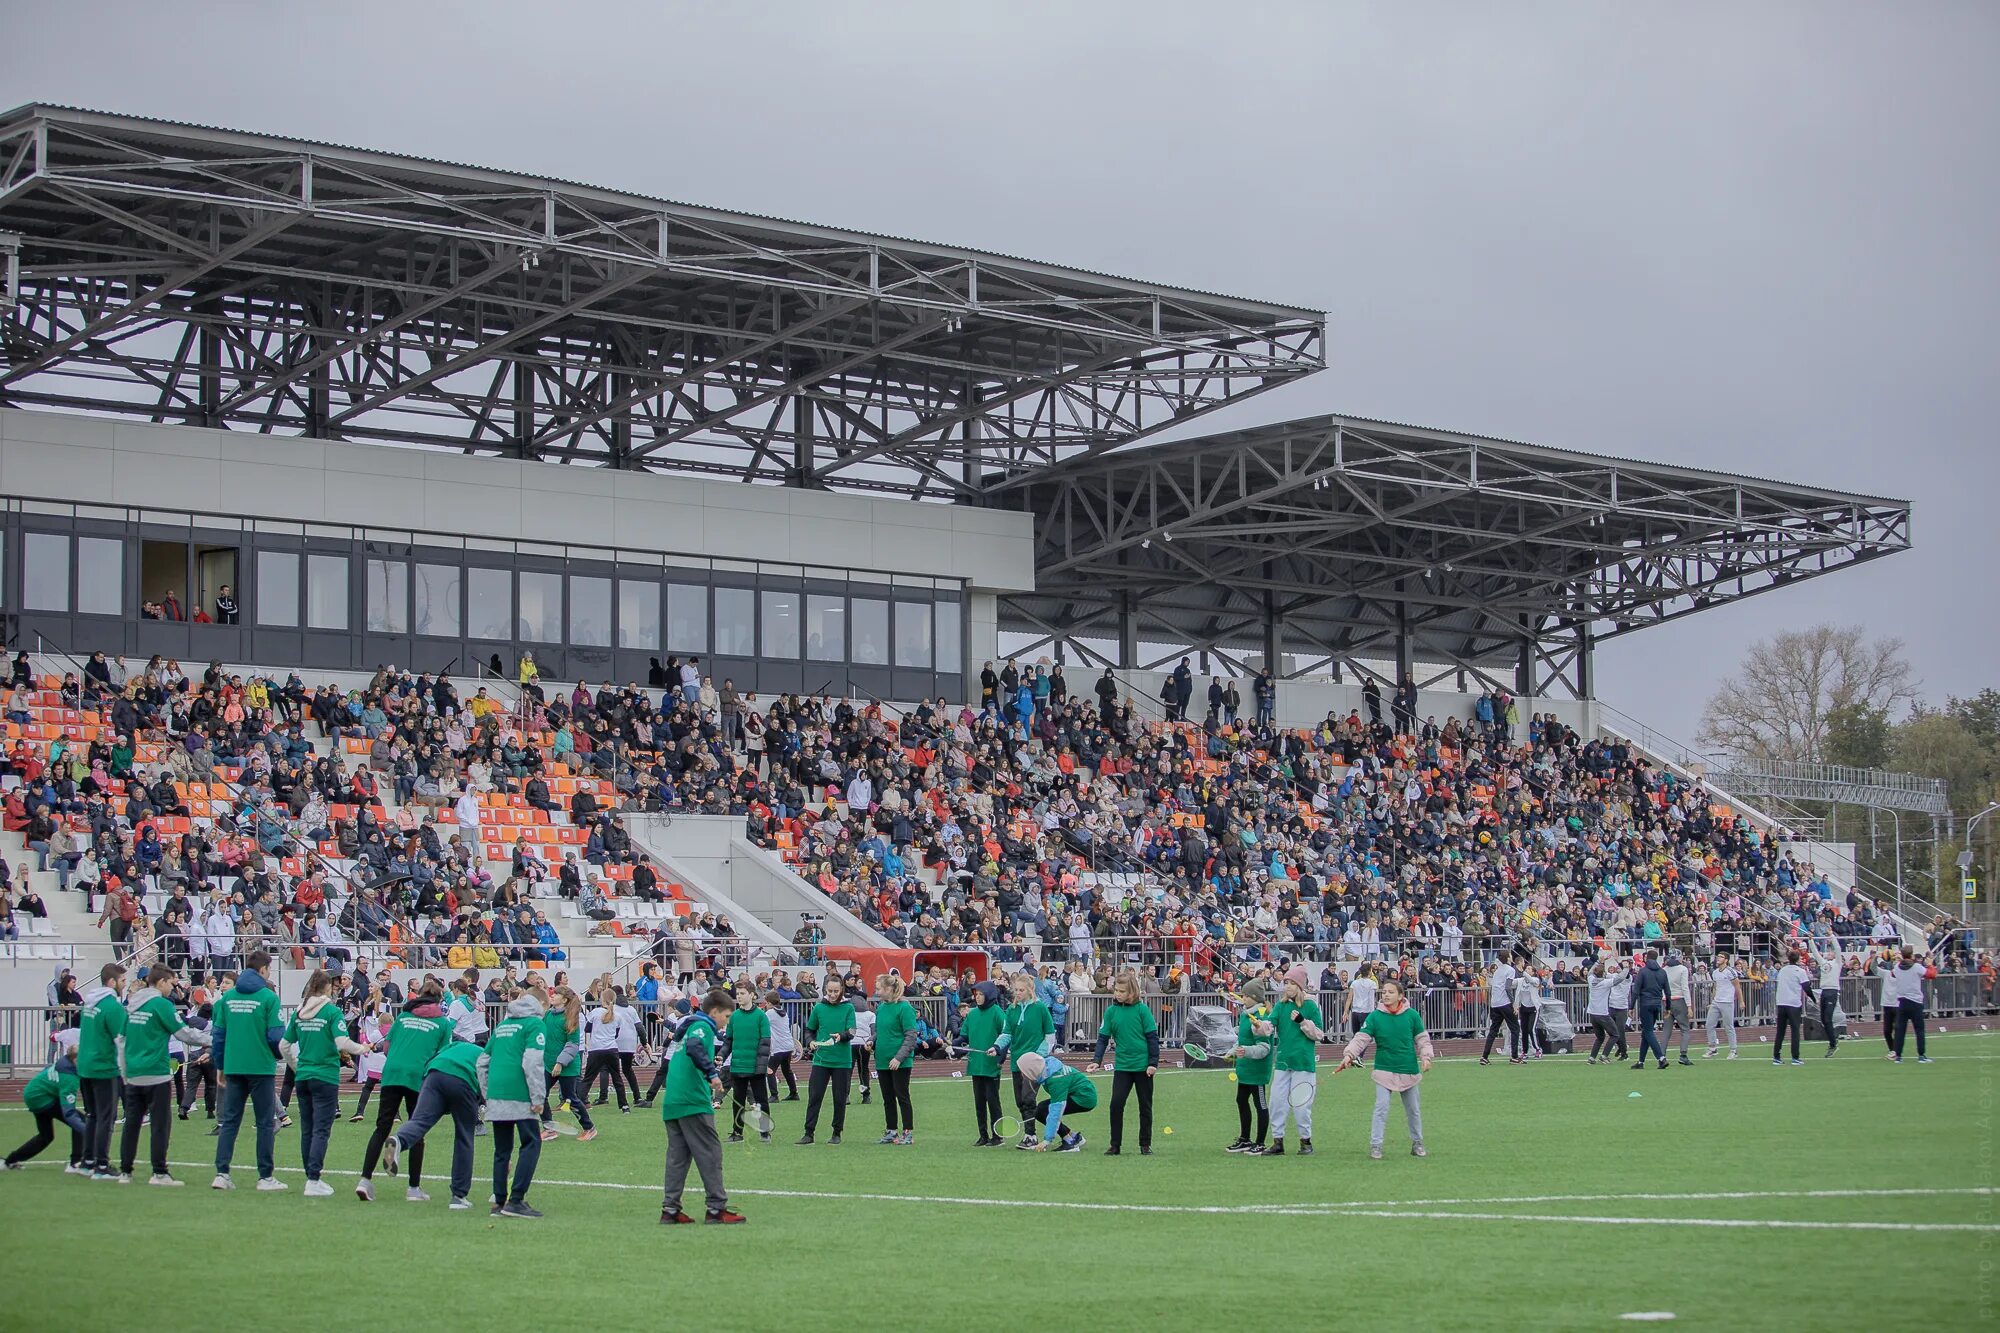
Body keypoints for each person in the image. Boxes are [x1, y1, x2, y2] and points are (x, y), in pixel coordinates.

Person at [358, 980, 453, 1202]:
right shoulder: (442, 1023)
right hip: (417, 1076)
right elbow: (442, 1054)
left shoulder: (403, 1017)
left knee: (381, 1127)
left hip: (392, 1072)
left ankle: (365, 1180)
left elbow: (388, 1047)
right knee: (417, 1129)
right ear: (439, 1000)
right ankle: (413, 1188)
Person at [118, 964, 211, 1185]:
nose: (172, 988)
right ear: (161, 982)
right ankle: (159, 1172)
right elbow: (184, 1034)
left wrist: (124, 1071)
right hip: (155, 1073)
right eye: (171, 983)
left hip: (133, 1072)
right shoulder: (161, 1004)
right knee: (160, 1124)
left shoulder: (132, 1004)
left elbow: (121, 1040)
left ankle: (125, 1171)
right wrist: (215, 1040)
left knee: (132, 1123)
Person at [659, 987, 745, 1225]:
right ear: (714, 1012)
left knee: (678, 1157)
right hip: (692, 1101)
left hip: (673, 1100)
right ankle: (717, 1209)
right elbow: (695, 1047)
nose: (725, 1022)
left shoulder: (689, 1026)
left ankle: (670, 1210)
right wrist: (711, 1074)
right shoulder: (702, 1026)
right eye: (726, 1017)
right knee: (710, 1153)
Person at [380, 1024, 487, 1210]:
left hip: (434, 1074)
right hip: (463, 1079)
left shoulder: (456, 1046)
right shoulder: (486, 1057)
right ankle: (458, 1196)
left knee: (420, 1121)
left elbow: (435, 1057)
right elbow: (487, 1088)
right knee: (464, 1136)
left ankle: (399, 1139)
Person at [281, 970, 367, 1197]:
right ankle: (314, 1178)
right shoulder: (330, 1011)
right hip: (325, 1076)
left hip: (304, 1075)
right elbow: (341, 1041)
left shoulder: (299, 1012)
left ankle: (310, 1175)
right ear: (328, 988)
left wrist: (296, 1065)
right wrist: (362, 1049)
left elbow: (284, 1045)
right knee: (321, 1129)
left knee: (307, 1129)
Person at [211, 950, 287, 1190]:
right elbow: (275, 1036)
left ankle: (222, 1173)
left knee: (230, 1121)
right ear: (263, 969)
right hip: (260, 1067)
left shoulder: (227, 998)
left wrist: (220, 1064)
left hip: (234, 1065)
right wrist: (278, 1055)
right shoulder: (268, 998)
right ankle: (265, 1176)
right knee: (265, 1122)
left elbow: (219, 1036)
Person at [1334, 978, 1435, 1159]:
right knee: (1381, 1108)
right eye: (1384, 992)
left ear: (1400, 995)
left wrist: (1426, 1057)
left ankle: (1417, 1143)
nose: (1386, 995)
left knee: (1413, 1109)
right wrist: (1349, 1054)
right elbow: (1361, 1038)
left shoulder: (1412, 1015)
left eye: (1390, 992)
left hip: (1408, 1068)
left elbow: (1422, 1039)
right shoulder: (1375, 1016)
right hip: (1383, 1069)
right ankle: (1376, 1145)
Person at [484, 984, 550, 1219]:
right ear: (542, 1005)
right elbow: (532, 1062)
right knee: (531, 1143)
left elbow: (482, 1061)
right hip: (520, 1092)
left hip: (497, 1093)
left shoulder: (503, 1025)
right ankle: (517, 1200)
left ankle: (499, 1202)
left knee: (502, 1149)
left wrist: (487, 1092)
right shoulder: (534, 1024)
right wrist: (538, 1097)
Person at [1087, 971, 1159, 1156]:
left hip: (1143, 1067)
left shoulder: (1142, 1010)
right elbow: (1103, 1039)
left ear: (1132, 992)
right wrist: (1097, 1060)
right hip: (1123, 1067)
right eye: (1116, 990)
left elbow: (1152, 1037)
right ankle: (1115, 1145)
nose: (1117, 994)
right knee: (1116, 1104)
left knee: (1145, 1106)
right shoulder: (1111, 1012)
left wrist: (1153, 1063)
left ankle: (1145, 1144)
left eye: (1121, 991)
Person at [76, 962, 129, 1179]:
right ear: (112, 982)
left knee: (93, 1115)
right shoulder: (112, 1006)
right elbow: (122, 1039)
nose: (124, 985)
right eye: (122, 981)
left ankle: (88, 1161)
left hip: (85, 1065)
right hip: (104, 1067)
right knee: (106, 1117)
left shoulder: (89, 1003)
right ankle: (101, 1165)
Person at [1266, 967, 1325, 1156]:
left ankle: (1305, 1142)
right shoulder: (1281, 1006)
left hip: (1304, 1063)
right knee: (1276, 1102)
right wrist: (1260, 1026)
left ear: (1300, 986)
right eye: (1286, 983)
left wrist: (1303, 1022)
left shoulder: (1310, 1006)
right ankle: (1278, 1142)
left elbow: (1319, 1034)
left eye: (1291, 983)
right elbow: (1270, 1024)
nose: (1287, 987)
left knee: (1301, 1105)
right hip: (1283, 1062)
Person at [4, 1042, 86, 1172]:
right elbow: (69, 1113)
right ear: (75, 1059)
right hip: (41, 1098)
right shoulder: (69, 1077)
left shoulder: (65, 1062)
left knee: (46, 1136)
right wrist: (87, 1131)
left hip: (34, 1094)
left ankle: (9, 1161)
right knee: (79, 1120)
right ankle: (75, 1163)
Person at [996, 972, 1055, 1147]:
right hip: (1016, 1061)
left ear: (1030, 990)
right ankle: (1031, 1135)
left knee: (1028, 1099)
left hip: (1033, 1063)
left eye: (1022, 990)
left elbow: (1050, 1035)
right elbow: (1006, 1033)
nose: (1018, 993)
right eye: (1016, 990)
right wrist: (997, 1047)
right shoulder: (1011, 1010)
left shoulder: (1040, 1008)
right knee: (1020, 1101)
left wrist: (1038, 1056)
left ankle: (1031, 1135)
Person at [796, 976, 855, 1145]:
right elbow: (809, 1030)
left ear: (841, 990)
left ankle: (837, 1132)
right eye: (830, 991)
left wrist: (841, 1036)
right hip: (821, 1060)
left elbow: (852, 1030)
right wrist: (810, 1042)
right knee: (814, 1097)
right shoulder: (819, 1008)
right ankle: (808, 1133)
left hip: (841, 1061)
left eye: (836, 991)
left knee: (839, 1098)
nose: (833, 994)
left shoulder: (848, 1008)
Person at [541, 984, 597, 1141]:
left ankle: (589, 1128)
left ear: (564, 1000)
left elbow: (572, 1044)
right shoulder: (548, 1015)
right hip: (548, 1064)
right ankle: (549, 1128)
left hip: (567, 1066)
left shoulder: (570, 1018)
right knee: (539, 1094)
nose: (551, 995)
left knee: (570, 1098)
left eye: (556, 994)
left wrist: (560, 1063)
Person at [719, 982, 772, 1144]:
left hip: (756, 1067)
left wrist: (760, 1067)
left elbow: (765, 1043)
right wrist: (721, 1055)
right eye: (738, 993)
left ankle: (764, 1132)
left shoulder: (761, 1016)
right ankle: (737, 1132)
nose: (739, 996)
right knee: (738, 1101)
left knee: (761, 1100)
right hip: (738, 1066)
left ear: (752, 995)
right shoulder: (734, 1017)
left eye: (742, 993)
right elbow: (728, 1041)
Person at [871, 975, 919, 1145]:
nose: (876, 992)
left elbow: (911, 1035)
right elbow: (882, 1030)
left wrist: (899, 1058)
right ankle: (891, 1130)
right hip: (882, 1060)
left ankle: (908, 1132)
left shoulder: (904, 1008)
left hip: (900, 1062)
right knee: (887, 1098)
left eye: (878, 988)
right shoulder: (881, 1008)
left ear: (889, 989)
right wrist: (872, 1040)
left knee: (902, 1096)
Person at [1012, 1051, 1091, 1152]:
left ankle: (1070, 1143)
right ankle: (1074, 1137)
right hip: (1078, 1095)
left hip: (1084, 1098)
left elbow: (1056, 1112)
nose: (1022, 1074)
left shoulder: (1055, 1080)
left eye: (1023, 1071)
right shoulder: (1047, 1069)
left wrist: (1047, 1140)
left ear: (1031, 1069)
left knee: (1042, 1110)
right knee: (1041, 1110)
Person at [1226, 991, 1275, 1154]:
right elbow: (1242, 1040)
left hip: (1257, 1070)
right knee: (1241, 1100)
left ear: (1254, 998)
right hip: (1245, 1068)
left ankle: (1260, 1142)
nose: (1243, 998)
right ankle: (1245, 1139)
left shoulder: (1260, 1016)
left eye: (1247, 995)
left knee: (1260, 1104)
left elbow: (1264, 1048)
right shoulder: (1245, 1016)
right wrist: (1231, 1052)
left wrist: (1245, 1051)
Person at [960, 982, 1009, 1146]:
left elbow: (1006, 1035)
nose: (977, 997)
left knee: (993, 1101)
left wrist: (1000, 1057)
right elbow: (964, 1036)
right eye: (976, 994)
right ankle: (983, 1135)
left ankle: (998, 1136)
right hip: (976, 1064)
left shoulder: (997, 1012)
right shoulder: (972, 1014)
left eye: (981, 994)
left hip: (991, 1064)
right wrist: (953, 1046)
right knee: (979, 1102)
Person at [1887, 947, 1931, 1064]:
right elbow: (1931, 974)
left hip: (1902, 1002)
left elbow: (1892, 974)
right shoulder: (1916, 967)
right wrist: (1930, 965)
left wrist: (1898, 961)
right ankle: (1921, 1055)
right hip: (1915, 1002)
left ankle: (1898, 1056)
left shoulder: (1898, 967)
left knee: (1900, 1030)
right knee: (1919, 1030)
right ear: (1911, 955)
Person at [1629, 950, 1671, 1071]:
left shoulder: (1643, 972)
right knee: (1646, 1034)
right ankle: (1641, 1061)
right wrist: (1668, 1007)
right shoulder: (1662, 972)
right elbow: (1668, 992)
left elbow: (1636, 990)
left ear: (1647, 958)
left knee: (1648, 1031)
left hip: (1646, 1004)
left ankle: (1661, 1058)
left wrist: (1631, 1007)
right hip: (1657, 1004)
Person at [1771, 950, 1813, 1066]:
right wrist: (1814, 999)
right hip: (1793, 1003)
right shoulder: (1800, 971)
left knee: (1780, 1031)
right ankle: (1795, 1057)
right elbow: (1806, 987)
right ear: (1798, 959)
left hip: (1781, 1002)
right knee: (1795, 1031)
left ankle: (1776, 1056)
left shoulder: (1782, 971)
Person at [1478, 952, 1521, 1066]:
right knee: (1515, 1028)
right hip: (1504, 1002)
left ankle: (1484, 1057)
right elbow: (1508, 987)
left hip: (1495, 1003)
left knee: (1493, 1030)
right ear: (1508, 958)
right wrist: (1514, 1004)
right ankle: (1514, 1057)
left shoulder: (1497, 970)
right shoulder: (1510, 970)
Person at [1704, 954, 1744, 1059]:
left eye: (1721, 957)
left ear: (1726, 960)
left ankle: (1733, 1050)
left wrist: (1741, 1002)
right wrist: (1712, 1001)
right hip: (1716, 1002)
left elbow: (1737, 987)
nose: (1718, 958)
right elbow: (1715, 987)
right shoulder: (1715, 972)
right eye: (1718, 956)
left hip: (1727, 1001)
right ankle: (1712, 1047)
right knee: (1709, 1024)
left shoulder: (1730, 971)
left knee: (1728, 1026)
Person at [763, 992, 799, 1103]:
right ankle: (794, 1093)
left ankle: (774, 1095)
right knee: (786, 1070)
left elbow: (761, 1021)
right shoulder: (783, 1011)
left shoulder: (770, 1013)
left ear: (769, 1003)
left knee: (770, 1070)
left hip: (778, 1047)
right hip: (788, 1045)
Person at [1584, 960, 1620, 1064]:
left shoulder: (1591, 980)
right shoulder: (1605, 982)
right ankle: (1604, 1056)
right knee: (1615, 1035)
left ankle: (1592, 1057)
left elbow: (1590, 972)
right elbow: (1620, 979)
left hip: (1592, 1013)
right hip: (1602, 1014)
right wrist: (1626, 969)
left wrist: (1598, 961)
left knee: (1600, 1037)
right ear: (1603, 973)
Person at [1811, 944, 1843, 1056]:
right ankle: (1833, 1040)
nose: (1829, 953)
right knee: (1823, 1020)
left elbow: (1838, 948)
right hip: (1824, 991)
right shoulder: (1823, 963)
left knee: (1828, 1018)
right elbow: (1815, 953)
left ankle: (1833, 1044)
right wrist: (1810, 941)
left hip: (1832, 992)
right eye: (1828, 951)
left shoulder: (1837, 963)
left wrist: (1831, 936)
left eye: (1831, 951)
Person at [1663, 951, 1695, 1065]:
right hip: (1679, 1000)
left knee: (1666, 1029)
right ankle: (1683, 1054)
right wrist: (1689, 1006)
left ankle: (1662, 1055)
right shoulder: (1682, 969)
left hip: (1666, 1000)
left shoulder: (1664, 969)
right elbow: (1684, 987)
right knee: (1685, 1029)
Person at [1515, 966, 1542, 1060]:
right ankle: (1524, 1051)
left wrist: (1523, 972)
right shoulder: (1521, 981)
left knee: (1531, 1029)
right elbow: (1512, 983)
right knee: (1524, 1031)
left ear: (1533, 972)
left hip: (1533, 1008)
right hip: (1524, 1008)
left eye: (1529, 969)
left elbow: (1531, 980)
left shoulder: (1535, 980)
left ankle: (1538, 1049)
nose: (1527, 970)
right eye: (1526, 969)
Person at [1345, 962, 1378, 1036]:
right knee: (1364, 1035)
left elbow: (1349, 997)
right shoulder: (1372, 983)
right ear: (1369, 971)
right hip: (1366, 1011)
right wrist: (1372, 1013)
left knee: (1356, 1034)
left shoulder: (1354, 983)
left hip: (1355, 1011)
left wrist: (1345, 1011)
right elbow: (1371, 1000)